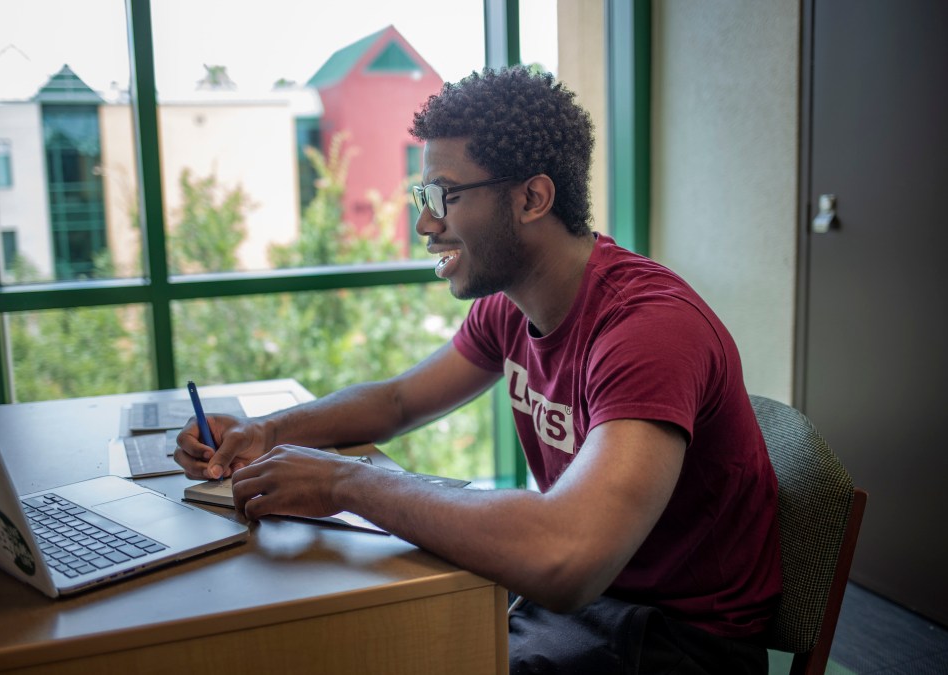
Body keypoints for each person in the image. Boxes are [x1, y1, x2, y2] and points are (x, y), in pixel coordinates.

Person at [175, 66, 782, 674]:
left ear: (532, 198)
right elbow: (397, 402)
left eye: (444, 196)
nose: (425, 224)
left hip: (677, 639)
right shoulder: (512, 307)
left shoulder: (649, 330)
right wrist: (267, 433)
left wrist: (346, 484)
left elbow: (568, 557)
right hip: (588, 610)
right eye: (423, 198)